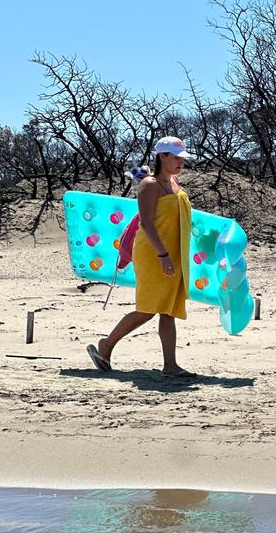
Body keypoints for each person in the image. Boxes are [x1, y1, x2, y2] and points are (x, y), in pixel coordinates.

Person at [86, 136, 195, 377]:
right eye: (176, 157)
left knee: (169, 309)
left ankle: (170, 365)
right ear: (162, 157)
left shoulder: (175, 183)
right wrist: (163, 254)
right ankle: (106, 345)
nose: (180, 162)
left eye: (182, 158)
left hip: (174, 254)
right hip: (154, 254)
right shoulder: (150, 184)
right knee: (148, 308)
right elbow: (146, 223)